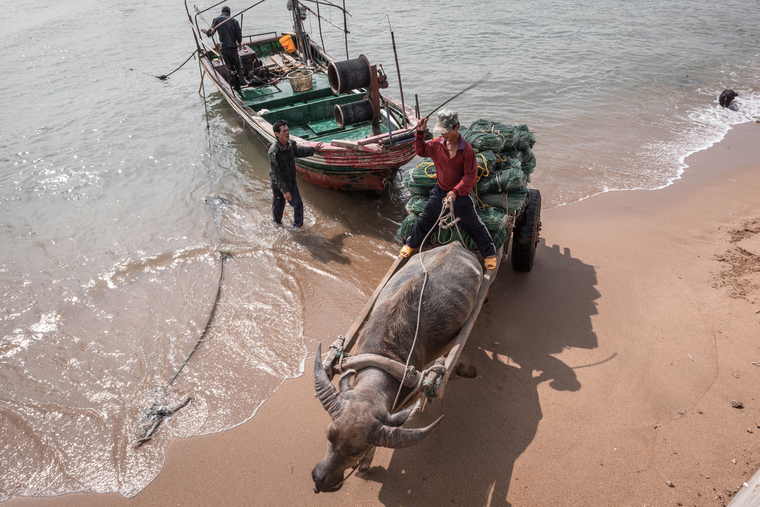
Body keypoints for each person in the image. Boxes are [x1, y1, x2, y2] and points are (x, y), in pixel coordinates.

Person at [400, 109, 498, 269]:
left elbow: (470, 176)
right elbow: (420, 150)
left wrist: (455, 191)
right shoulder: (436, 145)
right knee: (425, 219)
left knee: (472, 223)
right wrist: (420, 132)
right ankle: (412, 244)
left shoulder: (466, 151)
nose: (443, 135)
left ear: (456, 127)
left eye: (447, 131)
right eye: (441, 131)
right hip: (440, 191)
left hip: (460, 195)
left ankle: (489, 252)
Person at [269, 120, 323, 229]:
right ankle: (276, 224)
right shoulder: (274, 151)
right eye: (284, 131)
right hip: (278, 183)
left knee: (298, 204)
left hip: (291, 181)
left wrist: (313, 149)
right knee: (279, 205)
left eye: (288, 130)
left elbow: (299, 151)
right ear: (277, 134)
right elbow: (276, 174)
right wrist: (284, 191)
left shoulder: (290, 144)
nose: (287, 133)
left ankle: (297, 228)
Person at [202, 6, 247, 90]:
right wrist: (239, 43)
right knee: (237, 64)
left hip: (225, 48)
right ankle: (243, 81)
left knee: (230, 67)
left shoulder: (217, 20)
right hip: (233, 47)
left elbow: (211, 33)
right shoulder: (234, 21)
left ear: (222, 11)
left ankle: (236, 86)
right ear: (229, 13)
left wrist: (205, 32)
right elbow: (239, 34)